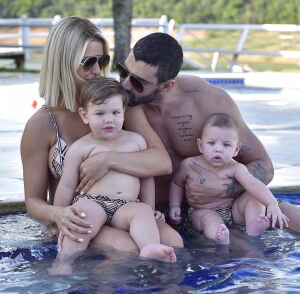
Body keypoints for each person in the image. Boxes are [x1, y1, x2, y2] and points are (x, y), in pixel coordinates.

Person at [80, 32, 300, 236]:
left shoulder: (207, 101)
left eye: (137, 82)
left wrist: (224, 186)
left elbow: (264, 165)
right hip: (162, 212)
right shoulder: (115, 108)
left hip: (227, 204)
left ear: (166, 86)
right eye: (123, 71)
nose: (125, 84)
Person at [21, 17, 183, 253]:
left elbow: (160, 161)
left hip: (126, 210)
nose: (97, 70)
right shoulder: (42, 124)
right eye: (88, 63)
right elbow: (32, 202)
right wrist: (58, 214)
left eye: (102, 60)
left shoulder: (117, 106)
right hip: (81, 216)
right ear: (64, 63)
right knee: (127, 249)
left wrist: (106, 160)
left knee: (174, 242)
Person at [53, 77, 176, 268]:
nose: (109, 119)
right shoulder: (81, 147)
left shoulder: (136, 141)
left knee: (142, 211)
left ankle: (149, 246)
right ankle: (65, 262)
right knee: (81, 217)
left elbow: (146, 178)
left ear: (124, 113)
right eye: (100, 113)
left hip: (126, 206)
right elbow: (67, 185)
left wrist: (150, 208)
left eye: (115, 112)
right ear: (85, 115)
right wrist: (59, 216)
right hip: (94, 203)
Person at [168, 114, 289, 244]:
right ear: (200, 145)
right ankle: (218, 236)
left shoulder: (236, 168)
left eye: (226, 145)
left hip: (232, 211)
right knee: (209, 220)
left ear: (236, 149)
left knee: (253, 195)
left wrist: (272, 203)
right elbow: (177, 184)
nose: (218, 149)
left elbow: (253, 184)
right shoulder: (190, 165)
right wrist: (174, 205)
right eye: (211, 143)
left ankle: (253, 225)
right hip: (202, 210)